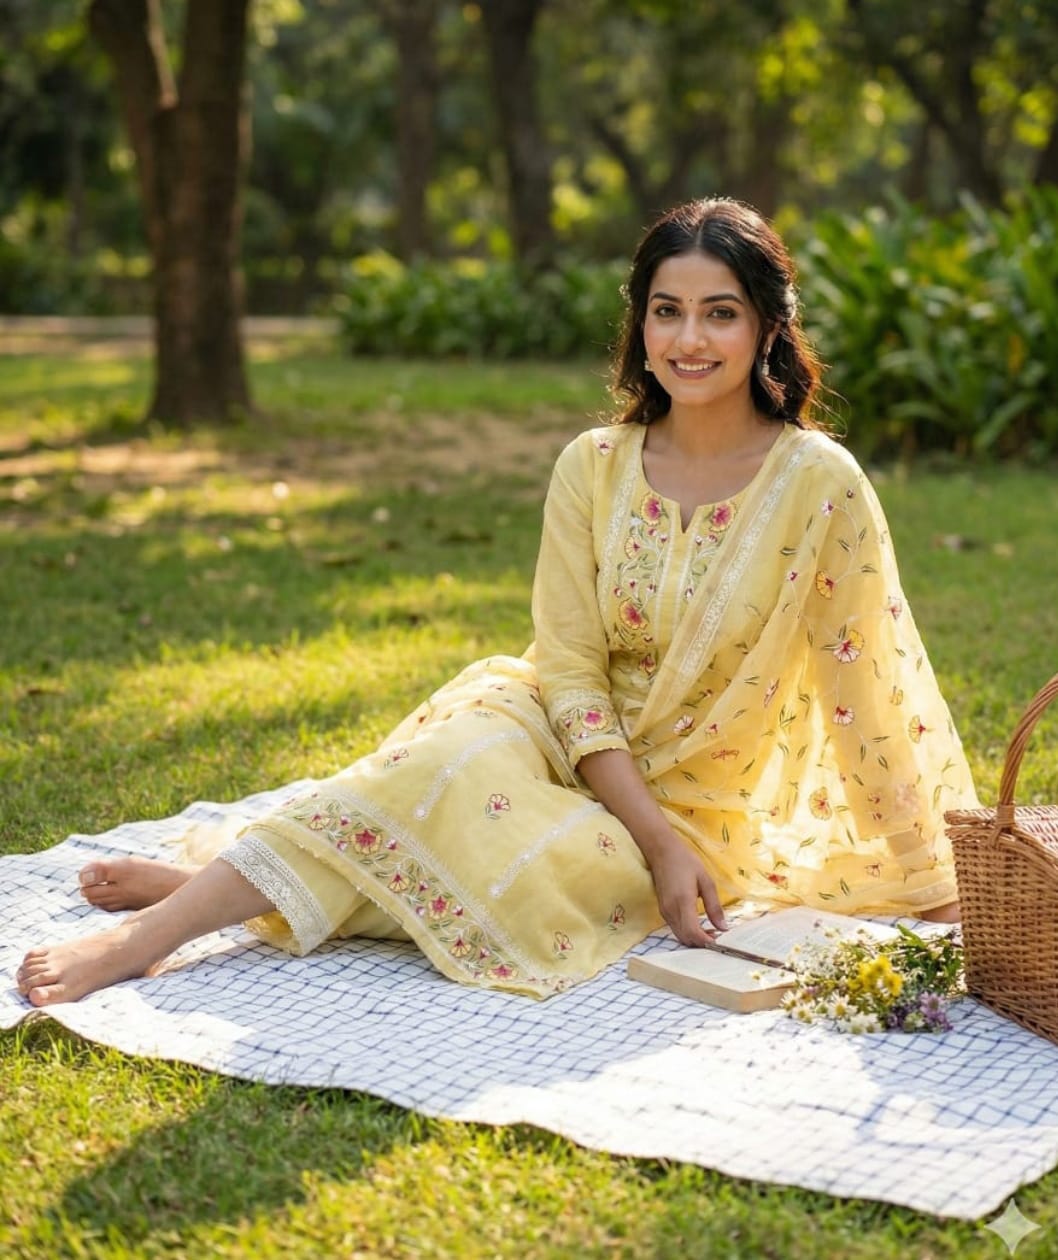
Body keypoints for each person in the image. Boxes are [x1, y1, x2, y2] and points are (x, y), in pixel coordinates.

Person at [15, 197, 976, 1008]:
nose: (689, 339)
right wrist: (646, 833)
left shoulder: (820, 485)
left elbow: (870, 696)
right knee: (455, 761)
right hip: (558, 724)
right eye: (666, 310)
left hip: (694, 803)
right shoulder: (594, 467)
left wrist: (937, 887)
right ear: (638, 323)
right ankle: (155, 933)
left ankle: (241, 883)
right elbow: (565, 665)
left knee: (524, 865)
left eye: (720, 313)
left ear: (769, 327)